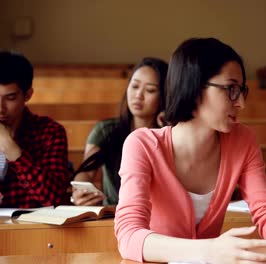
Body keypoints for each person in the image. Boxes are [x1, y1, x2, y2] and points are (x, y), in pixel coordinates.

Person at [115, 38, 266, 263]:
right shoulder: (141, 144)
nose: (241, 102)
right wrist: (208, 250)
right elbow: (129, 235)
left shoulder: (243, 140)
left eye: (242, 91)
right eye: (231, 89)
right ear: (193, 86)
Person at [71, 57, 168, 206]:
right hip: (112, 215)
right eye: (134, 86)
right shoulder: (106, 130)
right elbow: (86, 172)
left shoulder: (171, 133)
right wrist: (80, 192)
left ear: (165, 96)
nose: (138, 95)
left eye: (150, 90)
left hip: (157, 217)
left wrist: (168, 126)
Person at [0, 51, 69, 208]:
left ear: (27, 95)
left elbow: (54, 199)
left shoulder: (50, 132)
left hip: (34, 229)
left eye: (10, 98)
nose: (0, 108)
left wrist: (12, 150)